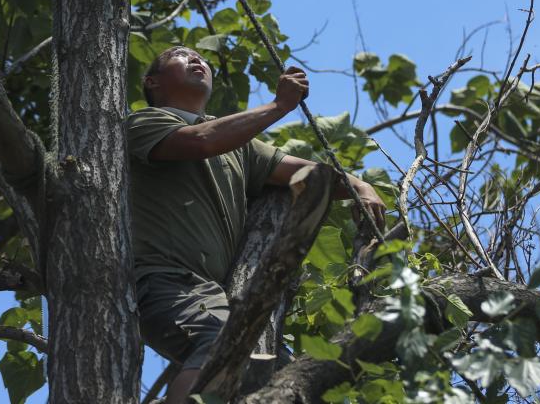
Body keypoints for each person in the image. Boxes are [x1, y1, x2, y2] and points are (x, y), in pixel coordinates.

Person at [126, 46, 386, 403]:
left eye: (201, 57)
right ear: (152, 82)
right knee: (223, 342)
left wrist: (360, 185)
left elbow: (310, 174)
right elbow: (201, 141)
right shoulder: (144, 122)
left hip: (209, 293)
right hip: (162, 279)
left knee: (283, 375)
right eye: (182, 55)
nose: (197, 60)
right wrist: (278, 107)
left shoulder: (242, 147)